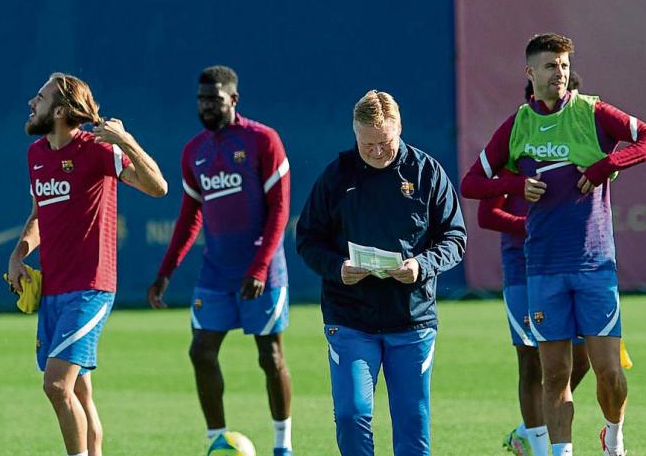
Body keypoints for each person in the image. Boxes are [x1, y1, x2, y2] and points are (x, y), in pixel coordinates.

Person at [461, 33, 646, 456]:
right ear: (530, 73)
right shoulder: (518, 123)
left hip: (594, 265)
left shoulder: (592, 111)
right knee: (553, 375)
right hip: (541, 269)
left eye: (564, 65)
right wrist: (517, 183)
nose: (560, 73)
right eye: (551, 66)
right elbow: (471, 184)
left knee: (609, 372)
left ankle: (613, 437)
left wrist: (606, 165)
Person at [296, 90, 466, 456]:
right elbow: (308, 239)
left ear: (399, 129)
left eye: (384, 142)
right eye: (366, 143)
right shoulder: (336, 176)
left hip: (412, 319)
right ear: (354, 134)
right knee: (352, 414)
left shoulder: (426, 172)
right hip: (350, 317)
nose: (375, 151)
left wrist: (422, 265)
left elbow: (455, 237)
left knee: (411, 422)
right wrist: (338, 268)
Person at [7, 73, 167, 456]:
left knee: (57, 386)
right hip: (54, 289)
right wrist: (18, 254)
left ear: (60, 110)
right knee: (79, 391)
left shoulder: (98, 149)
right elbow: (39, 213)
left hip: (91, 288)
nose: (32, 102)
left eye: (41, 97)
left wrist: (125, 140)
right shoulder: (36, 155)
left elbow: (158, 187)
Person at [147, 65, 294, 456]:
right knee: (201, 351)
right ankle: (217, 441)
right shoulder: (194, 150)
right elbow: (189, 216)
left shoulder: (263, 140)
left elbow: (280, 210)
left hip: (261, 270)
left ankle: (283, 445)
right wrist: (165, 272)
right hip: (216, 272)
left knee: (271, 355)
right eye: (201, 99)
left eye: (214, 98)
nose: (206, 105)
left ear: (233, 99)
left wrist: (260, 266)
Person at [484, 72, 591, 456]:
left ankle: (526, 432)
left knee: (582, 360)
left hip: (568, 263)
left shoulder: (580, 144)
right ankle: (541, 448)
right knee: (531, 358)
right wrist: (528, 226)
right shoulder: (517, 148)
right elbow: (486, 212)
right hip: (524, 269)